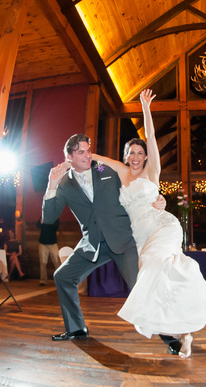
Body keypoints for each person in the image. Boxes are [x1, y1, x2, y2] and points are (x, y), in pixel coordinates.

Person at [93, 89, 206, 358]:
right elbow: (99, 160)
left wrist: (145, 107)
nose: (136, 156)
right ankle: (183, 331)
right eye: (132, 152)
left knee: (157, 266)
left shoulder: (152, 172)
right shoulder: (121, 172)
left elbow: (151, 136)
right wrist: (79, 156)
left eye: (140, 152)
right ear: (126, 155)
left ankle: (184, 325)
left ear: (146, 156)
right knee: (158, 278)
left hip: (162, 226)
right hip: (141, 236)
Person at [42, 135, 182, 355]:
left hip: (122, 240)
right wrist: (51, 184)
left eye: (88, 150)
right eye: (80, 152)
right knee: (63, 276)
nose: (87, 155)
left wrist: (158, 198)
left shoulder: (103, 169)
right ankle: (76, 329)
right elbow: (49, 217)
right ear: (69, 156)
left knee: (141, 286)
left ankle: (169, 336)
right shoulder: (64, 183)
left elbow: (135, 185)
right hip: (92, 244)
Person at [36, 217, 61, 286]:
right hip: (42, 243)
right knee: (43, 263)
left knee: (57, 262)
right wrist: (40, 222)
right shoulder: (43, 216)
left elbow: (56, 228)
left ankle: (60, 280)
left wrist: (50, 222)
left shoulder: (55, 217)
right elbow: (37, 226)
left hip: (53, 243)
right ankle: (43, 280)